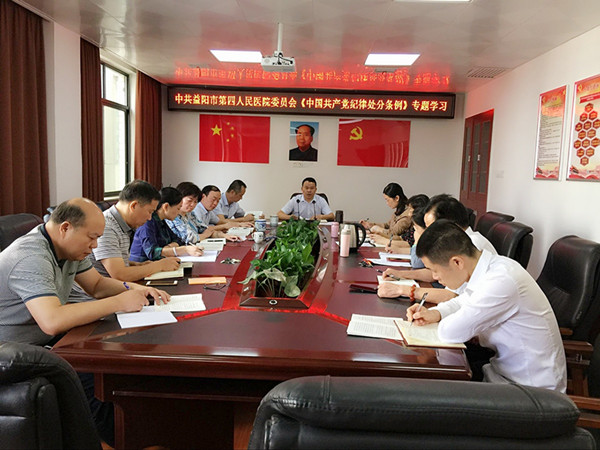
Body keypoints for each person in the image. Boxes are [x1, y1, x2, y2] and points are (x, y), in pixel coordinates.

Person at [0, 198, 171, 445]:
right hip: (12, 352)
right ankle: (120, 439)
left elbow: (97, 285)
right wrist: (119, 302)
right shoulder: (30, 257)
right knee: (93, 373)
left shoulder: (66, 247)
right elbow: (52, 320)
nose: (95, 245)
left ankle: (142, 430)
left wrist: (135, 289)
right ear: (66, 228)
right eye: (92, 237)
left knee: (116, 350)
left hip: (42, 339)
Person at [406, 220, 566, 392]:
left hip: (530, 390)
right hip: (502, 372)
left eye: (434, 270)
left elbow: (451, 332)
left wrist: (438, 322)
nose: (435, 277)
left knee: (429, 390)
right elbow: (464, 300)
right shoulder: (491, 268)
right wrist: (436, 313)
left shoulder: (502, 280)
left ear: (457, 262)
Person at [70, 180, 181, 302]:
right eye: (149, 212)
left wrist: (134, 264)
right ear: (134, 206)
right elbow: (119, 275)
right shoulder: (106, 226)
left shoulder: (123, 225)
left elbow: (107, 264)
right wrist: (159, 265)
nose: (150, 218)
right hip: (95, 298)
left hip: (116, 291)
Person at [379, 194, 497, 304]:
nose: (427, 233)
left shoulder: (472, 244)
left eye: (430, 227)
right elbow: (434, 274)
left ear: (449, 224)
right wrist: (401, 274)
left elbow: (452, 296)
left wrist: (402, 290)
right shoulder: (459, 241)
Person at [130, 187, 203, 262]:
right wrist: (184, 250)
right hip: (143, 266)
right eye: (178, 208)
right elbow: (152, 252)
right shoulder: (148, 222)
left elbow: (178, 240)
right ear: (166, 206)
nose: (179, 212)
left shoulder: (161, 221)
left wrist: (168, 247)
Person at [167, 181, 241, 243]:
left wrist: (225, 236)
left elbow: (205, 229)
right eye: (190, 200)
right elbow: (190, 238)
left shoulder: (190, 214)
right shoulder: (173, 217)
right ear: (179, 198)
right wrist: (205, 235)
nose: (192, 205)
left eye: (195, 202)